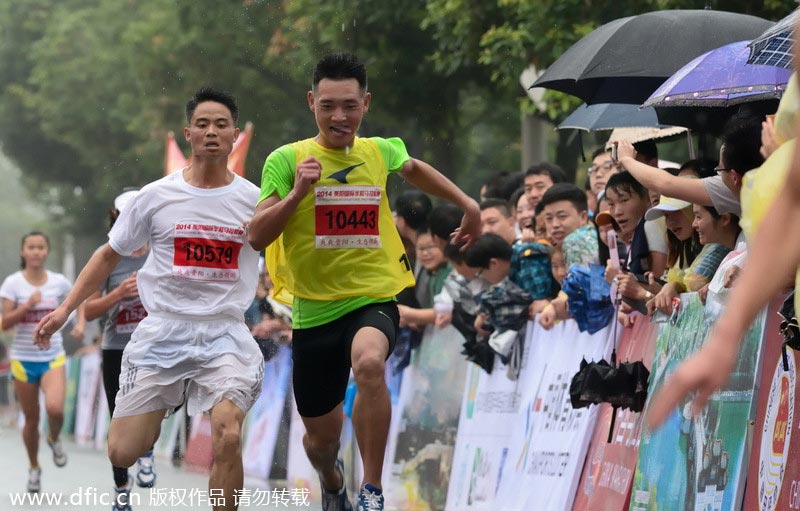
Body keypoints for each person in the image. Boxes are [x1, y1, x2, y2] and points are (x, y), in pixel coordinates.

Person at [247, 53, 481, 511]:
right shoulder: (286, 159)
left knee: (371, 363)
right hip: (313, 310)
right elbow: (257, 235)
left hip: (372, 295)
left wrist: (466, 202)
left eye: (350, 106)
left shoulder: (378, 151)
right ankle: (334, 481)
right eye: (329, 105)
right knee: (321, 442)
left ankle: (371, 489)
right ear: (312, 102)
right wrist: (297, 193)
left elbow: (413, 168)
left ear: (366, 103)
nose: (340, 117)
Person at [33, 87, 264, 511]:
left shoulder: (255, 200)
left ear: (234, 135)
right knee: (122, 452)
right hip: (163, 333)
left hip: (225, 334)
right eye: (202, 124)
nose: (211, 132)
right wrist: (65, 309)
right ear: (188, 133)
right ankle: (167, 401)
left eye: (221, 125)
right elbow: (107, 255)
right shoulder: (155, 196)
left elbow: (288, 257)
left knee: (228, 434)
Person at [82, 190, 154, 509]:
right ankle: (122, 491)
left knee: (167, 400)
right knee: (119, 420)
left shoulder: (162, 251)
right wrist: (118, 294)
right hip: (116, 349)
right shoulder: (107, 254)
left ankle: (148, 447)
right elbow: (88, 311)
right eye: (125, 218)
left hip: (156, 347)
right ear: (116, 219)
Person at [1, 231, 85, 493]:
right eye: (31, 247)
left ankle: (54, 438)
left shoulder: (59, 282)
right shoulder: (13, 284)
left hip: (52, 357)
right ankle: (35, 467)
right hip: (24, 359)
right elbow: (4, 323)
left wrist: (80, 323)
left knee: (55, 410)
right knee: (32, 420)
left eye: (40, 247)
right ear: (23, 252)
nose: (36, 251)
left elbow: (78, 299)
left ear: (46, 251)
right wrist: (27, 305)